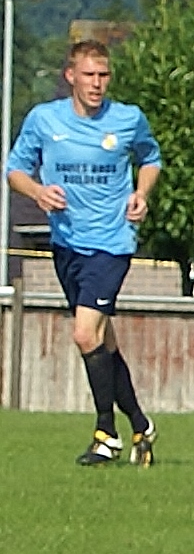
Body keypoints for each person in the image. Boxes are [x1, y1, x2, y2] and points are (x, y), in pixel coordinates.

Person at [6, 38, 162, 467]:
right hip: (65, 244)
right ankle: (141, 424)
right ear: (70, 76)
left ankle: (105, 433)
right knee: (101, 341)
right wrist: (38, 192)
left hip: (111, 244)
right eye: (89, 75)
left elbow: (151, 158)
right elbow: (14, 170)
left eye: (103, 75)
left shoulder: (128, 119)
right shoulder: (44, 119)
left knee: (83, 333)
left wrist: (141, 193)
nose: (97, 83)